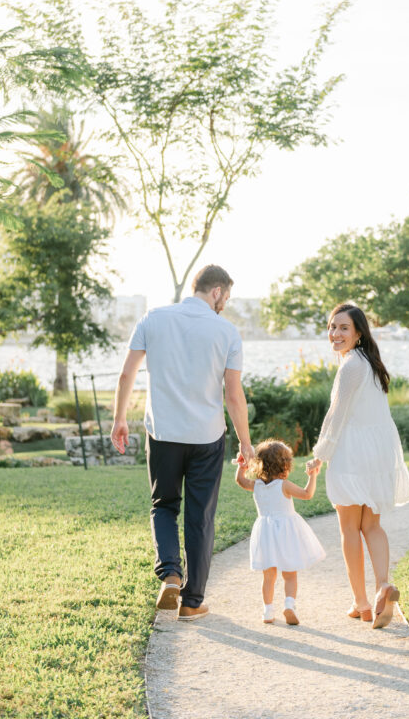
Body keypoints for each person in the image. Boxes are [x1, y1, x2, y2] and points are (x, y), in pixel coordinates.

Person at [110, 264, 254, 622]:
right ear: (217, 292)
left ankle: (171, 574)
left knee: (164, 505)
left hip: (163, 434)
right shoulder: (227, 331)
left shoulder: (153, 318)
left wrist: (119, 419)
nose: (225, 304)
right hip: (207, 436)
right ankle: (192, 602)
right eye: (227, 297)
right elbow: (233, 395)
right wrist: (246, 443)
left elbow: (127, 373)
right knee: (200, 517)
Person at [307, 302, 409, 629]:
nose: (335, 334)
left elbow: (335, 417)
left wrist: (320, 455)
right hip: (376, 454)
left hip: (353, 454)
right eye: (332, 327)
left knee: (350, 529)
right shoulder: (370, 363)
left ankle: (362, 602)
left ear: (358, 333)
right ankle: (383, 585)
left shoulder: (351, 366)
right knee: (372, 526)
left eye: (343, 328)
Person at [235, 439, 326, 626]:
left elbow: (240, 481)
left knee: (268, 576)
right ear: (285, 464)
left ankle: (268, 611)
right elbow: (307, 494)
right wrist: (313, 475)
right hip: (286, 533)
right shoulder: (284, 485)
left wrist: (242, 466)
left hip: (266, 534)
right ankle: (289, 605)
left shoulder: (257, 485)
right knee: (290, 574)